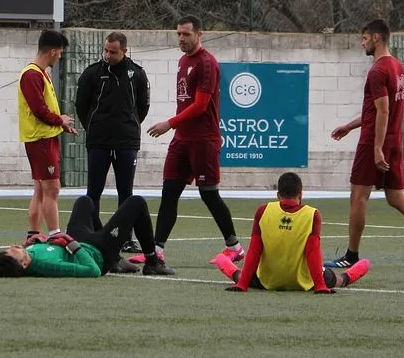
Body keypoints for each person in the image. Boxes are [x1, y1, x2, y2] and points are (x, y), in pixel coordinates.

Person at [328, 19, 404, 270]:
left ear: (377, 38)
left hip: (375, 142)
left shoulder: (377, 71)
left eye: (364, 39)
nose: (362, 43)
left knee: (358, 197)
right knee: (395, 197)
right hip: (393, 140)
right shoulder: (398, 67)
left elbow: (382, 111)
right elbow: (378, 111)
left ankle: (351, 255)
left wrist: (376, 148)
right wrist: (349, 126)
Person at [134, 14, 243, 265]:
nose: (181, 38)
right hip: (182, 140)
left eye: (186, 34)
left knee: (208, 194)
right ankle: (156, 251)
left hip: (203, 139)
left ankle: (234, 246)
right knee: (169, 192)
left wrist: (169, 124)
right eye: (179, 34)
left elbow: (201, 105)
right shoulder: (183, 61)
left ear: (199, 35)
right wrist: (176, 128)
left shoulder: (207, 63)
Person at [214, 172, 370, 293]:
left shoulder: (263, 211)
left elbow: (255, 250)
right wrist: (321, 286)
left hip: (268, 281)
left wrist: (242, 284)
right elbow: (313, 252)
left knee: (241, 275)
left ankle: (223, 261)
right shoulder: (312, 214)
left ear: (278, 195)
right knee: (338, 279)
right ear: (301, 195)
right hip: (303, 281)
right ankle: (352, 273)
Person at [75, 31, 150, 253]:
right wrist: (94, 126)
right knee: (93, 191)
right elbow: (81, 105)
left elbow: (142, 107)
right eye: (106, 50)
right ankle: (92, 236)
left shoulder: (137, 74)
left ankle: (125, 238)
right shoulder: (92, 74)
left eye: (113, 52)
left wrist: (129, 125)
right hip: (98, 141)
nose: (108, 55)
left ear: (124, 51)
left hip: (126, 142)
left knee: (125, 192)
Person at [0, 195, 175, 278]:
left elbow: (52, 249)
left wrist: (37, 241)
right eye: (12, 252)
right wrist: (72, 244)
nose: (13, 246)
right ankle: (152, 263)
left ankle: (117, 260)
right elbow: (92, 270)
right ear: (23, 264)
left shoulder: (28, 255)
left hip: (79, 241)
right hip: (98, 252)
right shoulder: (48, 267)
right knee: (136, 203)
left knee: (84, 202)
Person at [18, 29, 77, 239]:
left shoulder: (41, 73)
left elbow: (45, 108)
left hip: (45, 136)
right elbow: (38, 109)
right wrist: (58, 120)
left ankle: (33, 234)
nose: (60, 56)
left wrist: (60, 124)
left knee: (41, 189)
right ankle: (55, 234)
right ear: (52, 51)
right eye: (60, 52)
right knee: (52, 188)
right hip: (40, 138)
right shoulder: (32, 74)